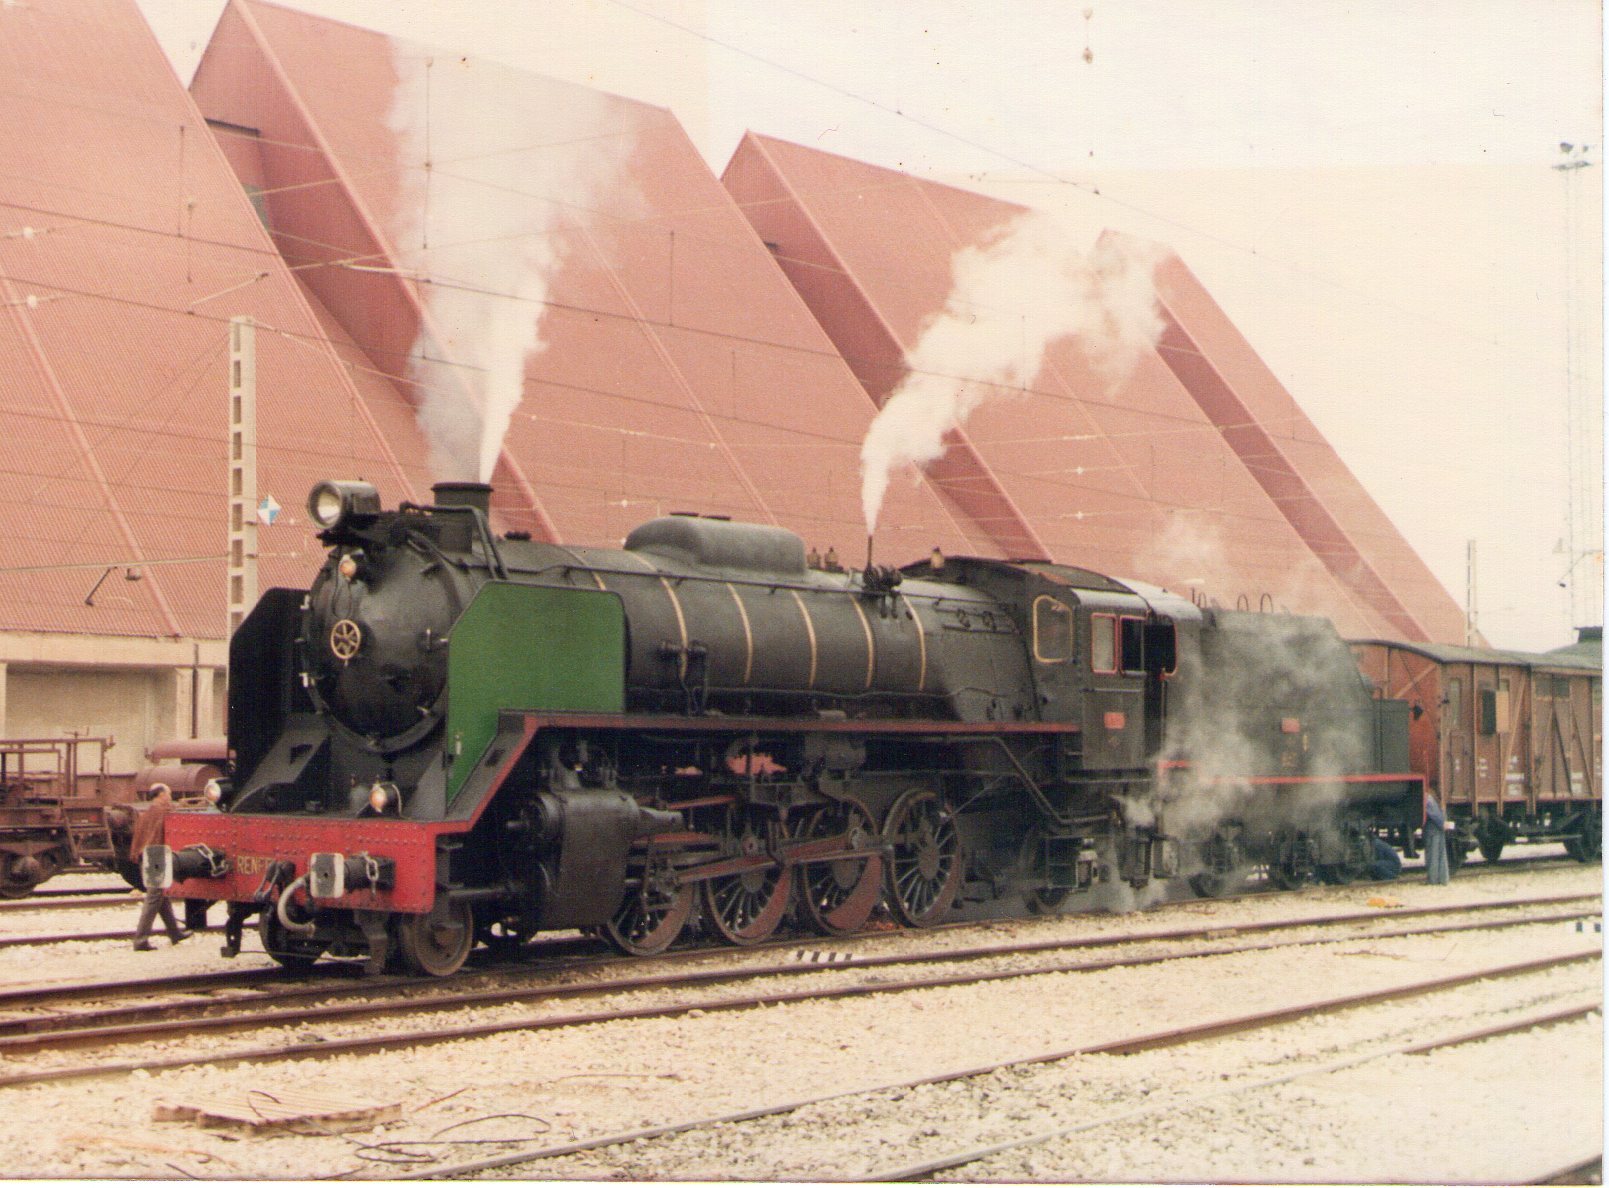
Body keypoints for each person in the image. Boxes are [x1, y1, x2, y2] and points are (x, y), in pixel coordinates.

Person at [130, 784, 191, 950]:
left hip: (146, 854)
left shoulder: (147, 812)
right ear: (161, 794)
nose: (170, 797)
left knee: (160, 896)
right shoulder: (162, 809)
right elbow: (176, 811)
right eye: (169, 794)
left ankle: (175, 933)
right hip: (156, 855)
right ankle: (140, 940)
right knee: (154, 897)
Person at [1424, 793, 1451, 885]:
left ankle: (1433, 880)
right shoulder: (1436, 799)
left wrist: (1441, 823)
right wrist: (1443, 823)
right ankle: (1443, 879)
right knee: (1441, 854)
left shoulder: (1427, 798)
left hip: (1433, 829)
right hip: (1439, 828)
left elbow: (1432, 813)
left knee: (1433, 855)